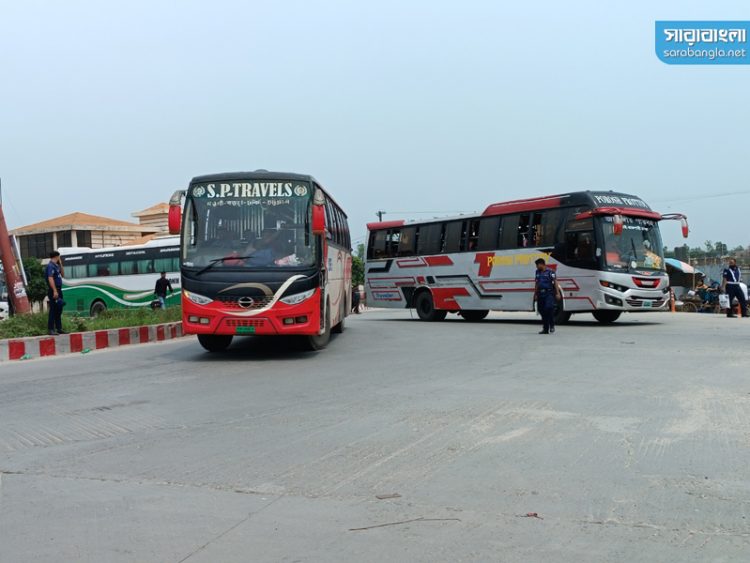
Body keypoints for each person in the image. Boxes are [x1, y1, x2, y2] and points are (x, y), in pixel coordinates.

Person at [533, 258, 562, 334]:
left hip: (548, 293)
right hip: (540, 293)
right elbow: (536, 283)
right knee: (541, 310)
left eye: (537, 265)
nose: (536, 267)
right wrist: (535, 294)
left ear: (541, 264)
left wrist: (557, 293)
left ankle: (551, 324)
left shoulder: (550, 272)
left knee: (548, 308)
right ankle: (545, 329)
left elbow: (555, 282)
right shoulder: (537, 272)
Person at [45, 250, 66, 335]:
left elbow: (63, 274)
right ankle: (51, 329)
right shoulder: (50, 266)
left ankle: (59, 328)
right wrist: (54, 291)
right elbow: (50, 278)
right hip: (54, 290)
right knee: (53, 309)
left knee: (59, 309)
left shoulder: (56, 266)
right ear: (57, 257)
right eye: (59, 257)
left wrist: (60, 264)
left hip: (58, 289)